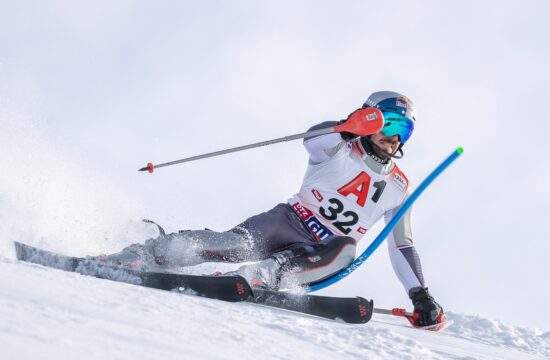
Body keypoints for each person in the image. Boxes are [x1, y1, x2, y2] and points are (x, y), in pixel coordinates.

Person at [103, 90, 444, 326]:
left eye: (404, 130)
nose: (394, 137)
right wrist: (348, 126)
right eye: (388, 124)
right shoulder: (340, 148)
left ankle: (262, 276)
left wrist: (420, 296)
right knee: (231, 245)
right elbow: (313, 139)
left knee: (347, 249)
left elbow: (402, 244)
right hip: (286, 221)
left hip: (319, 251)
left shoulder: (399, 187)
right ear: (369, 122)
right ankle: (149, 250)